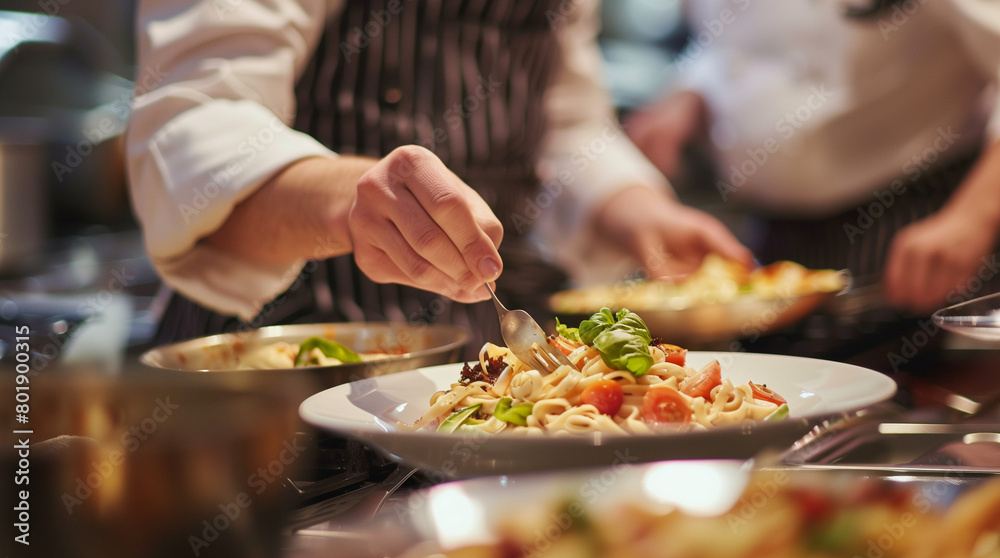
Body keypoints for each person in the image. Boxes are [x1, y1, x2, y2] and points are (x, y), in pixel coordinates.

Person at [127, 0, 752, 347]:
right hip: (285, 352)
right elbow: (195, 125)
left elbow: (563, 119)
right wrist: (350, 198)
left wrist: (638, 209)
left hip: (485, 342)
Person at [626, 0, 1000, 318]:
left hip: (912, 221)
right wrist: (692, 91)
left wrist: (973, 216)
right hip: (767, 231)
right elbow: (732, 40)